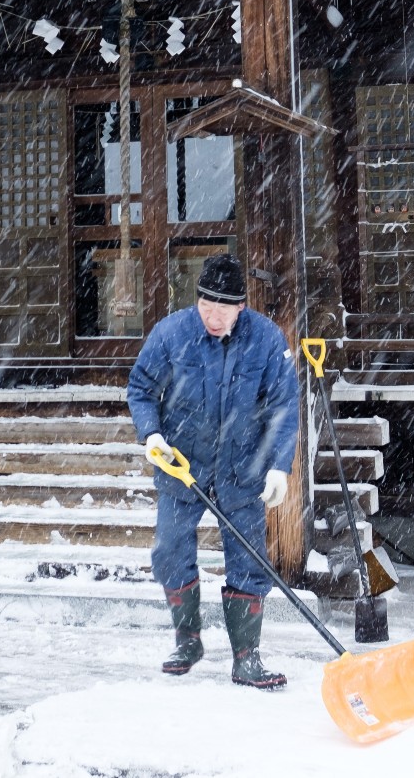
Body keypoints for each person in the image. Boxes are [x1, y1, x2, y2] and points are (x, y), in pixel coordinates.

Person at [126, 252, 300, 689]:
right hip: (182, 466)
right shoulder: (172, 334)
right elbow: (141, 388)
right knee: (169, 550)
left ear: (242, 306)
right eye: (206, 307)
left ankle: (247, 657)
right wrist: (151, 435)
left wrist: (280, 467)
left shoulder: (265, 339)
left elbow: (284, 406)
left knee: (248, 558)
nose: (214, 317)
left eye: (223, 308)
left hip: (242, 468)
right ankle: (188, 640)